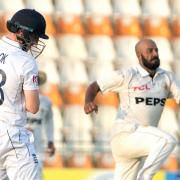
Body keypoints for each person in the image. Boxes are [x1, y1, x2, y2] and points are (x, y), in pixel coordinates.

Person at [84, 38, 179, 180]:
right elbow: (95, 85)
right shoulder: (128, 75)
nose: (155, 54)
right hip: (125, 134)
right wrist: (88, 101)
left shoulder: (167, 77)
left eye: (156, 50)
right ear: (139, 56)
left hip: (142, 140)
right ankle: (145, 176)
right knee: (167, 141)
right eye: (150, 51)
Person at [0, 9, 48, 180]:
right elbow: (33, 107)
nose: (35, 43)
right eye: (34, 37)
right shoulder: (25, 61)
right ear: (21, 31)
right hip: (12, 136)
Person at [26, 71, 55, 179]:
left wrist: (50, 140)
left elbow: (49, 123)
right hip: (18, 143)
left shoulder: (46, 101)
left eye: (39, 81)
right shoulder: (18, 99)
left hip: (37, 146)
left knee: (37, 174)